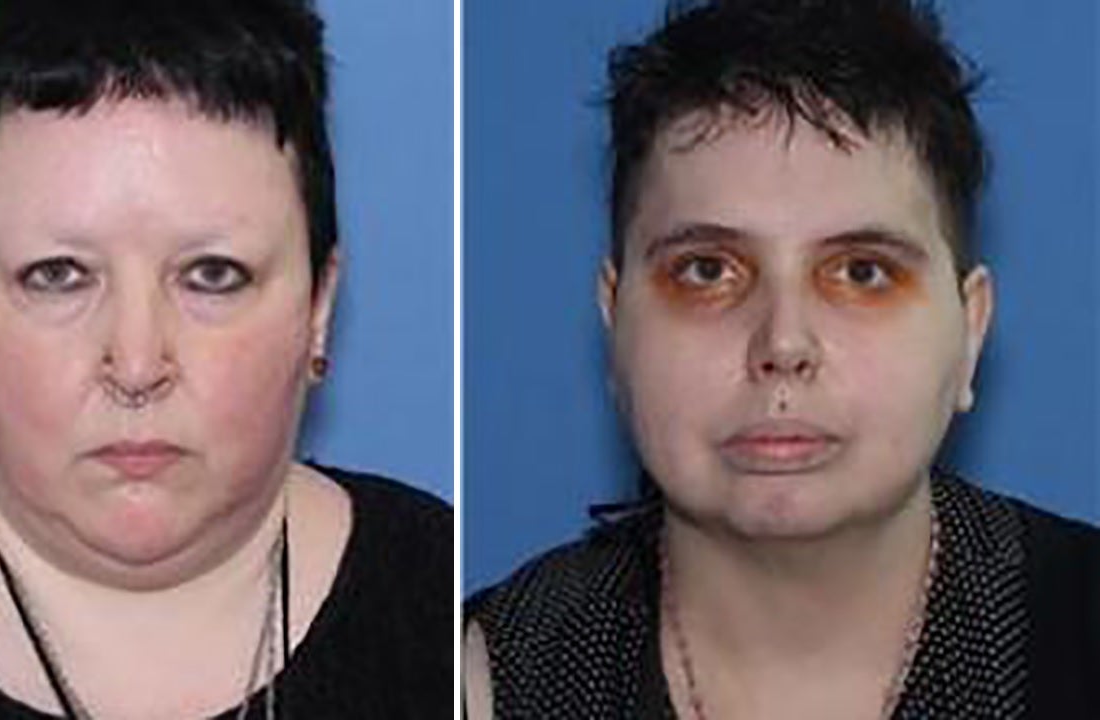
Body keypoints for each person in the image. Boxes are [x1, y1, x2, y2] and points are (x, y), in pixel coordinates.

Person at [465, 1, 1099, 718]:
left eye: (862, 272)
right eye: (707, 271)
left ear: (970, 333)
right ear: (615, 324)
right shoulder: (481, 676)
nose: (783, 344)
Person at [0, 0, 451, 717]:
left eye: (213, 274)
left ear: (318, 307)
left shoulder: (445, 616)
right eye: (58, 274)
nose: (137, 365)